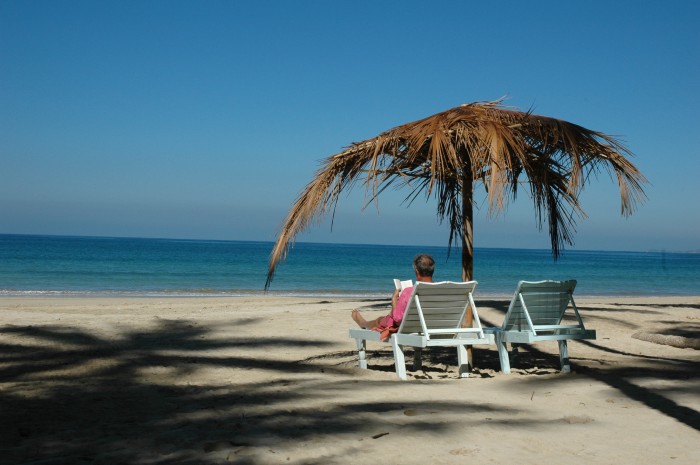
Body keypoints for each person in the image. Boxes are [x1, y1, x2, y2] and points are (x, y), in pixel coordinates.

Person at [351, 254, 435, 340]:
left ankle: (363, 323)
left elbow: (397, 320)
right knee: (385, 319)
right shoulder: (441, 290)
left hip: (410, 328)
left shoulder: (409, 291)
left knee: (381, 320)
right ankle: (365, 323)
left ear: (417, 271)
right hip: (433, 327)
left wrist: (394, 301)